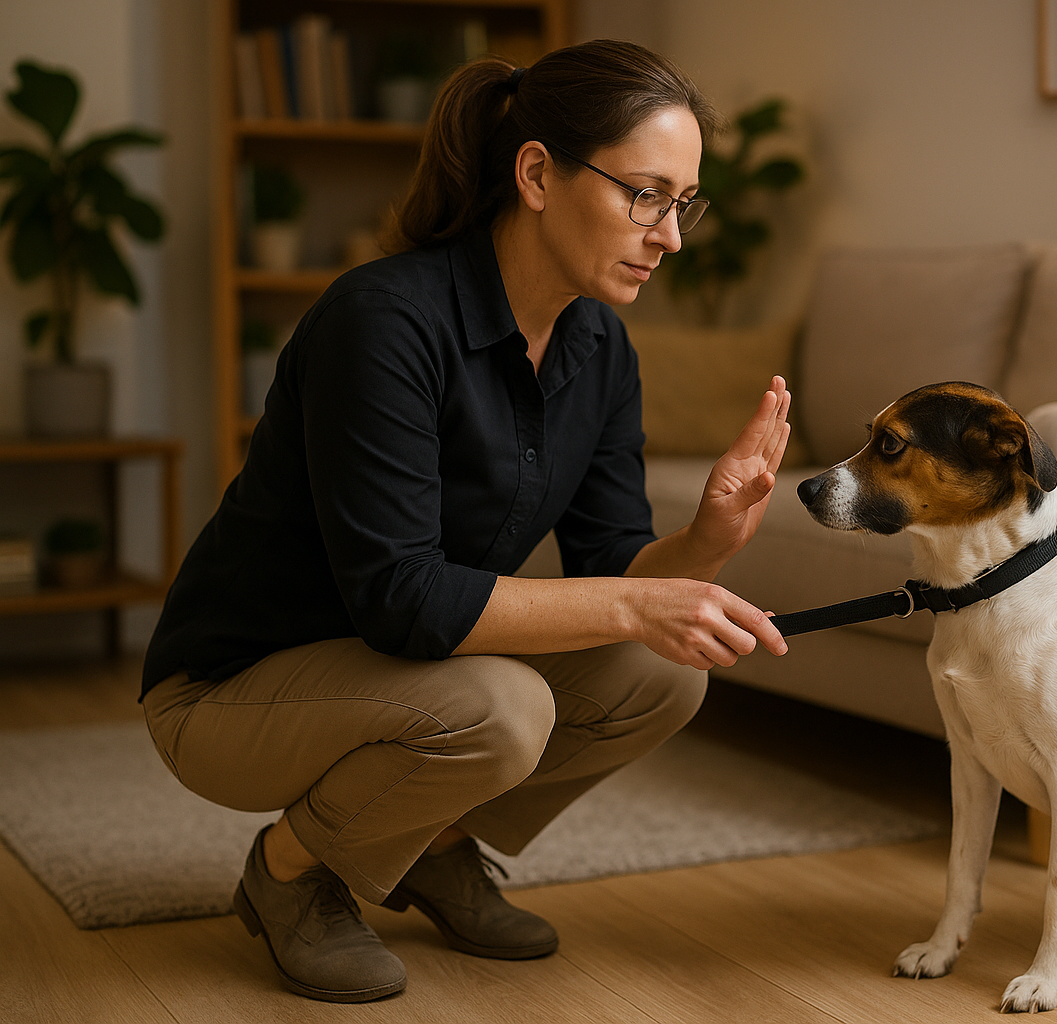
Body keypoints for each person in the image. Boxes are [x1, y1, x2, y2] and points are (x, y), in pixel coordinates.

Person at [140, 40, 791, 1003]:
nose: (672, 236)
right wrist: (638, 601)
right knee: (505, 706)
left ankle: (433, 846)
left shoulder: (599, 344)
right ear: (537, 173)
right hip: (231, 690)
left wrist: (706, 542)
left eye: (683, 203)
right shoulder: (385, 321)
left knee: (663, 672)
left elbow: (612, 564)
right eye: (645, 195)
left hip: (402, 671)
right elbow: (403, 600)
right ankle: (286, 876)